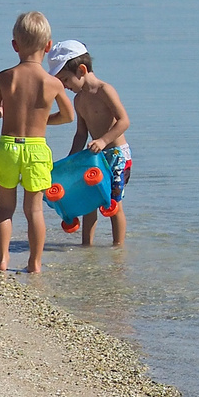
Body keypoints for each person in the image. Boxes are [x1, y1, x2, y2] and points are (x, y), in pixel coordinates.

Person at [0, 12, 73, 273]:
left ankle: (1, 259)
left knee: (4, 207)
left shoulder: (5, 77)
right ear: (48, 46)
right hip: (36, 148)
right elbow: (68, 116)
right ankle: (34, 263)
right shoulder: (52, 82)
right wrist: (43, 121)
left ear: (15, 45)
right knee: (34, 210)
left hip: (8, 147)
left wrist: (4, 113)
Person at [48, 40, 132, 246]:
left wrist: (104, 141)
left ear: (82, 70)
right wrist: (71, 161)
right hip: (94, 157)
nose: (64, 86)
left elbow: (124, 121)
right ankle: (87, 246)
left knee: (113, 203)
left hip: (116, 155)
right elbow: (80, 134)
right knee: (88, 201)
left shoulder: (104, 91)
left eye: (66, 79)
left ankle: (118, 249)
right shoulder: (78, 100)